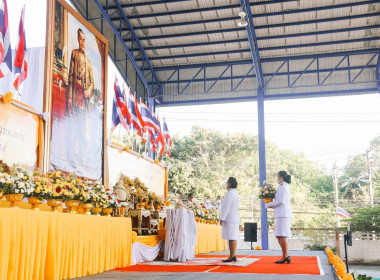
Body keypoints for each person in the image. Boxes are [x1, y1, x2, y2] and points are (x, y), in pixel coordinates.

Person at [265, 171, 293, 264]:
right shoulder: (282, 186)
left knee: (282, 234)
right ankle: (285, 255)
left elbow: (281, 201)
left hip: (283, 214)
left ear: (281, 177)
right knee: (279, 234)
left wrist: (269, 204)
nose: (277, 178)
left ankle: (285, 256)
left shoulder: (283, 187)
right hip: (281, 214)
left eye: (277, 176)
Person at [68, 28, 94, 114]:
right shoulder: (74, 53)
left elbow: (92, 83)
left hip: (83, 100)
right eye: (80, 39)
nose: (82, 43)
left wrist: (88, 91)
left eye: (84, 40)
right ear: (78, 40)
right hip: (75, 97)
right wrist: (70, 96)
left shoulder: (88, 62)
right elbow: (70, 77)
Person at [219, 177, 240, 263]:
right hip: (234, 217)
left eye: (227, 182)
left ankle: (232, 256)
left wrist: (222, 218)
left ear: (230, 184)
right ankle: (233, 255)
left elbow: (226, 207)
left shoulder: (230, 193)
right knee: (233, 237)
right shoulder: (235, 193)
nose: (226, 184)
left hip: (230, 217)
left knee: (231, 237)